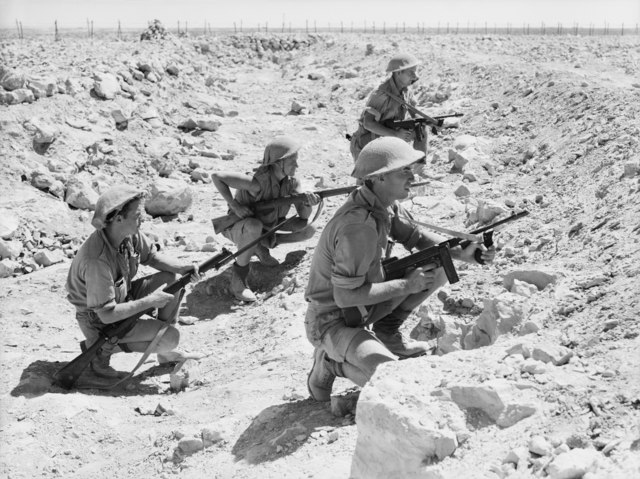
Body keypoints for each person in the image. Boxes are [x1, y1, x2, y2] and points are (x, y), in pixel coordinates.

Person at [304, 137, 496, 401]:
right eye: (403, 170)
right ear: (379, 177)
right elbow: (344, 297)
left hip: (361, 307)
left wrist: (469, 253)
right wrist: (407, 285)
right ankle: (330, 363)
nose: (412, 176)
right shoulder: (357, 227)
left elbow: (419, 239)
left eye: (410, 169)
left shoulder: (382, 205)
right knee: (391, 382)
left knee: (437, 262)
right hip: (332, 321)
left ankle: (386, 331)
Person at [66, 185, 200, 380]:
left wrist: (181, 268)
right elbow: (106, 314)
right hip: (97, 320)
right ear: (118, 219)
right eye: (137, 215)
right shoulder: (97, 260)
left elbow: (152, 257)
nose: (143, 219)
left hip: (122, 298)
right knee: (171, 338)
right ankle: (99, 351)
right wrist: (150, 301)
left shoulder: (127, 233)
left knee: (171, 280)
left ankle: (163, 353)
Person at [212, 136, 320, 302]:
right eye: (292, 162)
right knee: (253, 226)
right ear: (279, 162)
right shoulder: (256, 183)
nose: (297, 166)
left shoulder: (292, 183)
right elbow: (217, 176)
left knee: (309, 229)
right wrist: (235, 206)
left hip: (267, 228)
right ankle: (238, 281)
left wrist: (308, 203)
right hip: (239, 227)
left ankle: (260, 246)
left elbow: (303, 218)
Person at [349, 52, 426, 163]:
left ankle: (420, 167)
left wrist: (431, 122)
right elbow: (368, 123)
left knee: (421, 127)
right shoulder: (381, 95)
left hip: (389, 136)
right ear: (399, 72)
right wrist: (396, 135)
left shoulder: (406, 91)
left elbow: (416, 114)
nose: (415, 77)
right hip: (369, 140)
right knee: (375, 179)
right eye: (411, 73)